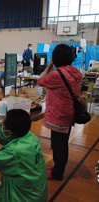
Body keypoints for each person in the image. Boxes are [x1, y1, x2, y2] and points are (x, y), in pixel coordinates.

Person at [0, 109, 48, 202]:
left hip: (25, 199)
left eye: (3, 124)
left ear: (9, 132)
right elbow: (3, 133)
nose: (1, 125)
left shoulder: (15, 151)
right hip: (35, 194)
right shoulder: (30, 137)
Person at [37, 44, 82, 181]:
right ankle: (58, 168)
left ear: (56, 58)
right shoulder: (75, 71)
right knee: (62, 143)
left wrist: (50, 65)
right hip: (69, 113)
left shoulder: (57, 74)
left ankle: (58, 173)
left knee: (58, 145)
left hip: (59, 114)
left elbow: (40, 80)